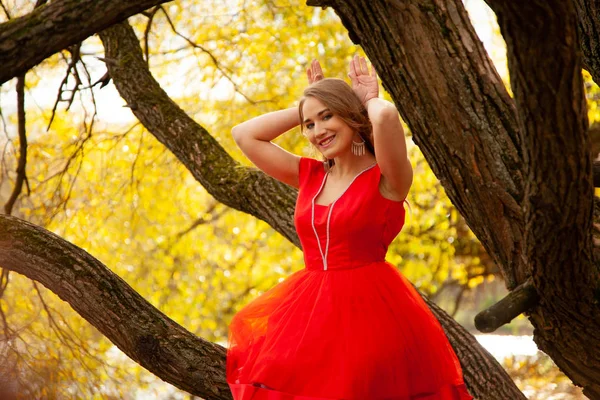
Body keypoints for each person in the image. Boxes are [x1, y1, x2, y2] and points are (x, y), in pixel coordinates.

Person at [226, 56, 472, 400]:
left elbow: (385, 116)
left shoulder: (387, 178)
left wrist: (365, 99)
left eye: (327, 117)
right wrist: (309, 101)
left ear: (352, 116)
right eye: (309, 125)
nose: (318, 131)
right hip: (308, 314)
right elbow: (244, 134)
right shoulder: (310, 175)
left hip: (371, 315)